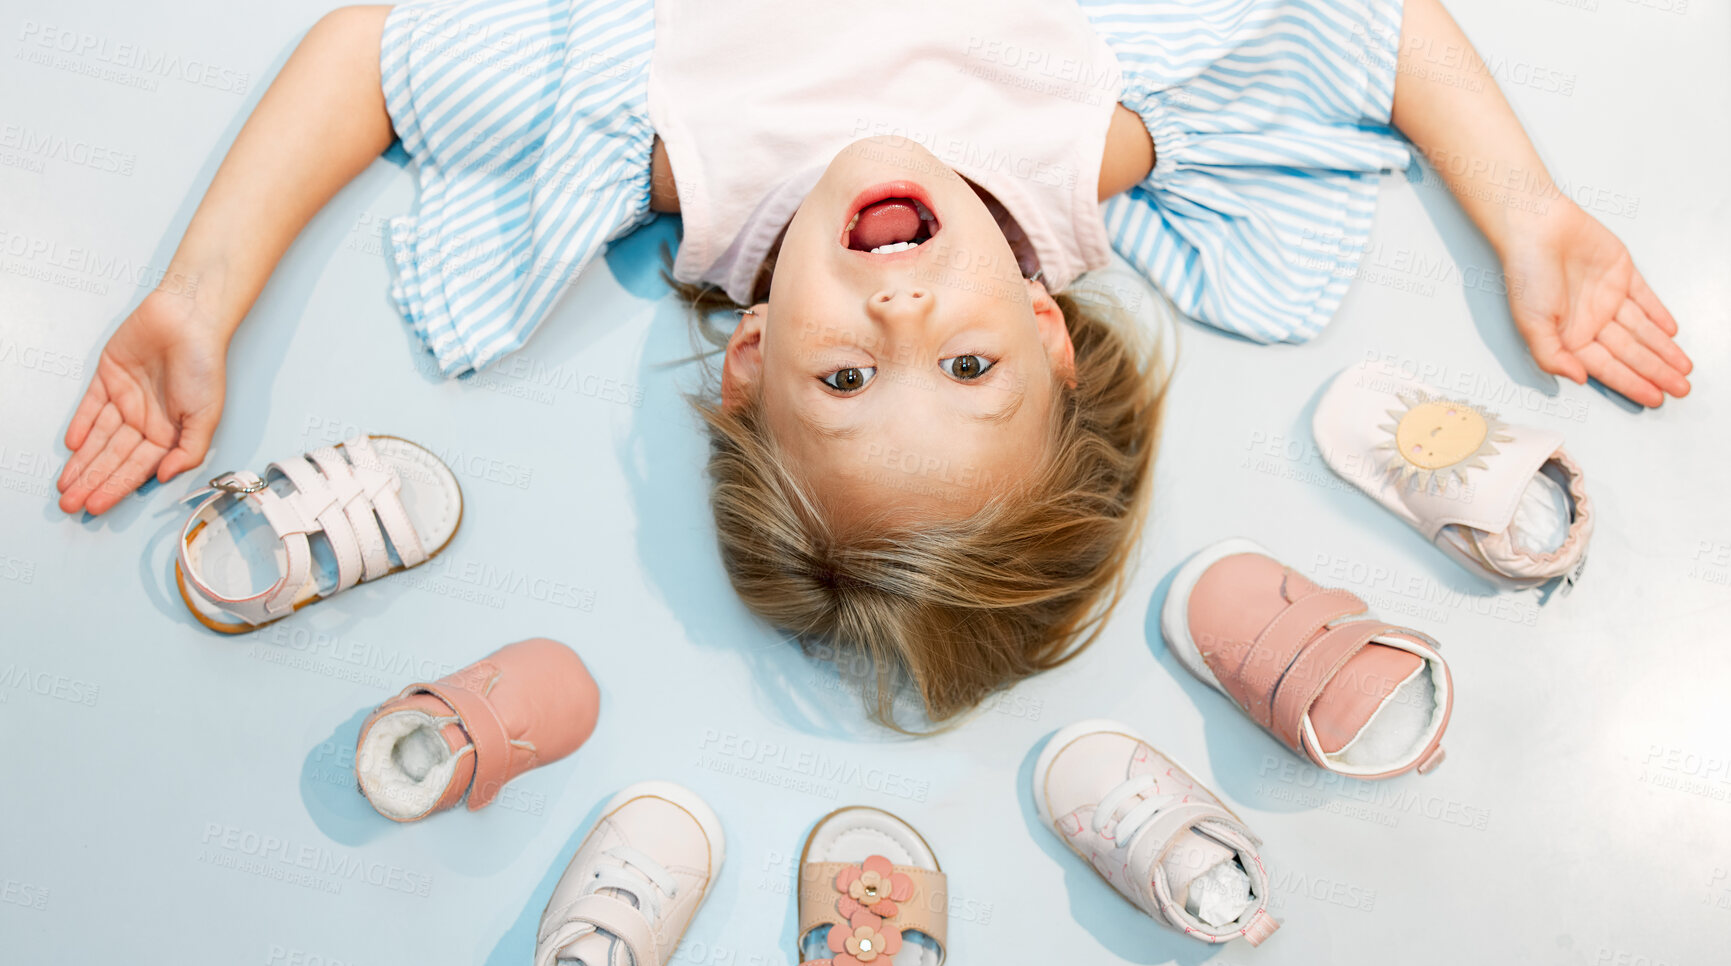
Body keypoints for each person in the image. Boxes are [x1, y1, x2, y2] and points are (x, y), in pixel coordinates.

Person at [53, 0, 1691, 726]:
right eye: (969, 367)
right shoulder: (1088, 143)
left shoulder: (669, 156)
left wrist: (201, 300)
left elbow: (379, 63)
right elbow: (1364, 33)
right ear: (1047, 329)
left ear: (749, 363)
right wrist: (1528, 208)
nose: (903, 325)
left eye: (848, 385)